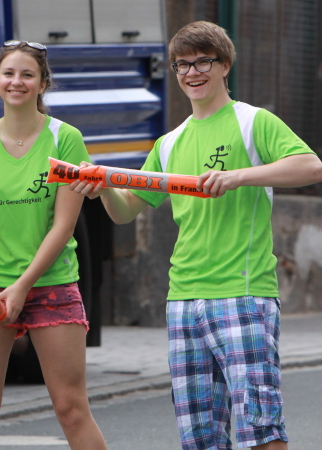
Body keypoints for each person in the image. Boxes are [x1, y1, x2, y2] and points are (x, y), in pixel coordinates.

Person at [71, 21, 322, 450]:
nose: (192, 72)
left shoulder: (252, 122)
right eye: (182, 65)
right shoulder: (169, 143)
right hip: (183, 300)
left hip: (242, 294)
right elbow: (126, 211)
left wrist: (238, 176)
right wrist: (104, 189)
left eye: (203, 61)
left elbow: (310, 166)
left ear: (224, 65)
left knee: (261, 430)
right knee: (200, 438)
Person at [0, 41, 107, 449]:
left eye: (27, 75)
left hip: (51, 285)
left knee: (71, 408)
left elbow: (63, 226)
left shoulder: (65, 139)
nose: (16, 82)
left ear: (43, 83)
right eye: (9, 74)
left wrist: (22, 287)